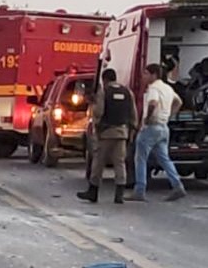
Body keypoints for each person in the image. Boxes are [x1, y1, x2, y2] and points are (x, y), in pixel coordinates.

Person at [77, 69, 137, 204]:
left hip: (105, 133)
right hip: (122, 133)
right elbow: (133, 114)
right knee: (120, 163)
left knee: (98, 162)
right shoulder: (127, 92)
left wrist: (96, 124)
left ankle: (93, 191)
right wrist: (132, 129)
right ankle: (119, 194)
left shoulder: (104, 92)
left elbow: (99, 112)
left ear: (104, 80)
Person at [130, 63, 185, 201]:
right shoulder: (167, 88)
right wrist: (169, 115)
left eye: (146, 73)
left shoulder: (153, 88)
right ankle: (177, 185)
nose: (143, 76)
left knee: (140, 158)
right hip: (163, 127)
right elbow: (179, 102)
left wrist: (147, 120)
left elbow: (153, 103)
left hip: (151, 127)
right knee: (164, 158)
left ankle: (139, 190)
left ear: (153, 75)